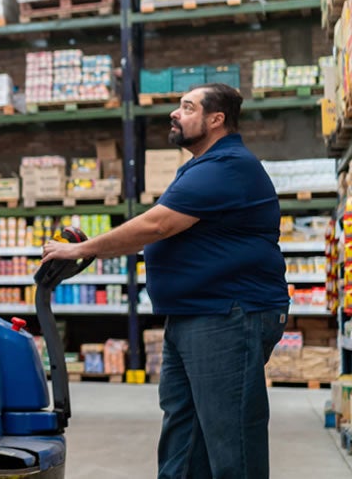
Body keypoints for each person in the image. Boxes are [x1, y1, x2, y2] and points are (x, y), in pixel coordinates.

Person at [43, 83, 288, 478]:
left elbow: (158, 224)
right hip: (194, 315)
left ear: (216, 119)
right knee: (183, 434)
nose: (175, 113)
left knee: (232, 440)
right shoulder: (200, 167)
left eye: (187, 107)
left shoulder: (228, 166)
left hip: (228, 314)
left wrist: (82, 250)